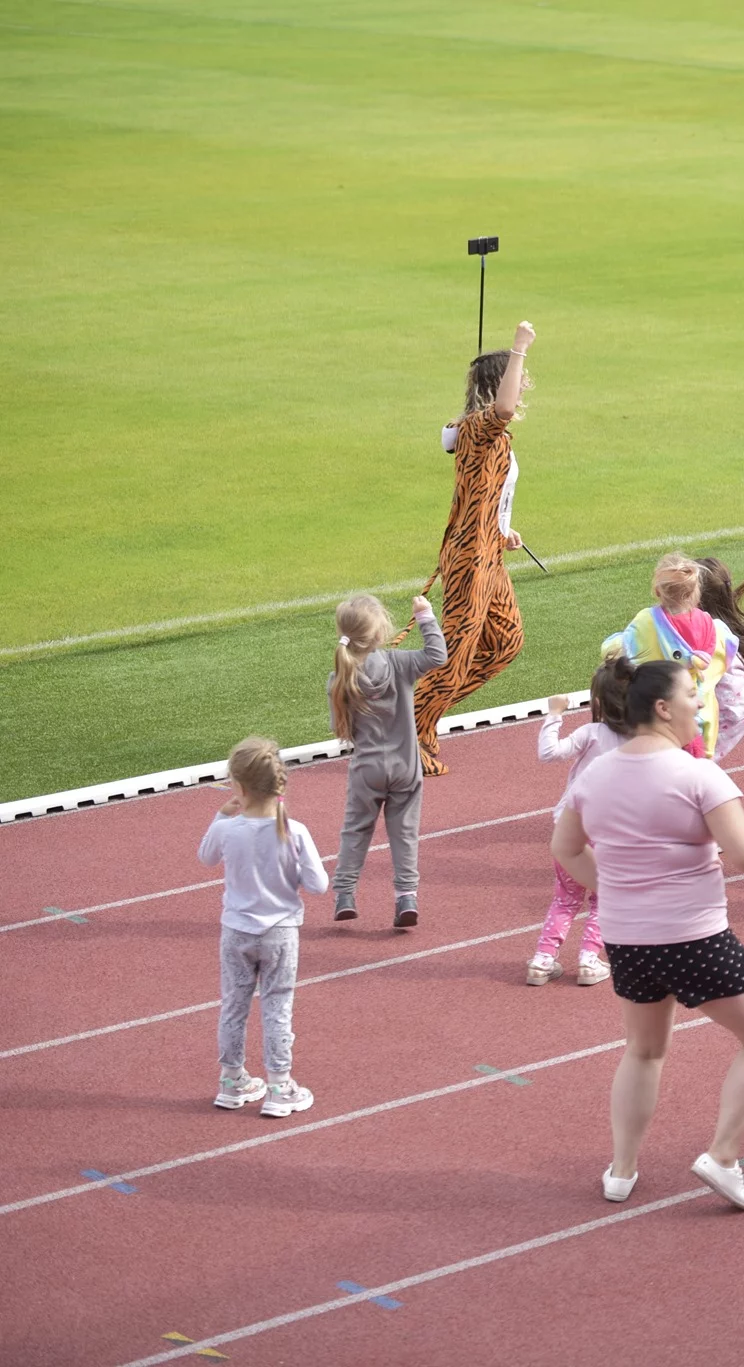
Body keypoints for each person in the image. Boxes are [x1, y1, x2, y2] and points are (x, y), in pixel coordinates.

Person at [552, 657, 744, 1212]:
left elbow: (563, 848)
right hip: (694, 936)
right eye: (691, 696)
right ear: (661, 708)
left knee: (644, 1049)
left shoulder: (594, 776)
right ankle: (723, 1156)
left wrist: (612, 889)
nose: (700, 706)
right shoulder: (698, 774)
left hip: (628, 940)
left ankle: (621, 1170)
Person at [413, 321, 534, 777]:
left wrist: (503, 531)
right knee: (459, 648)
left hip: (489, 553)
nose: (522, 389)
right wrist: (520, 346)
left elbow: (483, 494)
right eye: (517, 379)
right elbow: (502, 407)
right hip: (469, 559)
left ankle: (419, 710)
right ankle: (414, 725)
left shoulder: (487, 435)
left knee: (504, 642)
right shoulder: (482, 428)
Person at [201, 737, 328, 1118]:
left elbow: (205, 857)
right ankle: (279, 1087)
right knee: (277, 1007)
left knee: (234, 1005)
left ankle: (231, 1081)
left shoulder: (228, 829)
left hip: (236, 931)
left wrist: (222, 815)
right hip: (280, 933)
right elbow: (320, 885)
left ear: (237, 789)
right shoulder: (295, 831)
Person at [329, 593, 446, 927]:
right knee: (404, 834)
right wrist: (425, 616)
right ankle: (406, 897)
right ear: (380, 635)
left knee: (355, 831)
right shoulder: (399, 664)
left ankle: (345, 894)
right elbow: (437, 655)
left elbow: (342, 729)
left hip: (366, 768)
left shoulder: (339, 677)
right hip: (406, 768)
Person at [528, 664, 629, 986]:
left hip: (568, 829)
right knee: (606, 896)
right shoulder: (643, 741)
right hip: (608, 834)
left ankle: (542, 960)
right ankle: (588, 959)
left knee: (565, 898)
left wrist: (554, 714)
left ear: (596, 701)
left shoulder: (590, 733)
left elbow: (548, 753)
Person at [603, 554, 742, 760]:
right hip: (699, 724)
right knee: (694, 783)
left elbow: (616, 650)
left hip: (659, 726)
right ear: (697, 593)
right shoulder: (717, 631)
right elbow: (727, 656)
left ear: (658, 591)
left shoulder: (645, 624)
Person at [695, 557, 744, 759]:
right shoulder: (717, 625)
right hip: (728, 706)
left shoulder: (711, 633)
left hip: (729, 713)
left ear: (696, 599)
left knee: (689, 761)